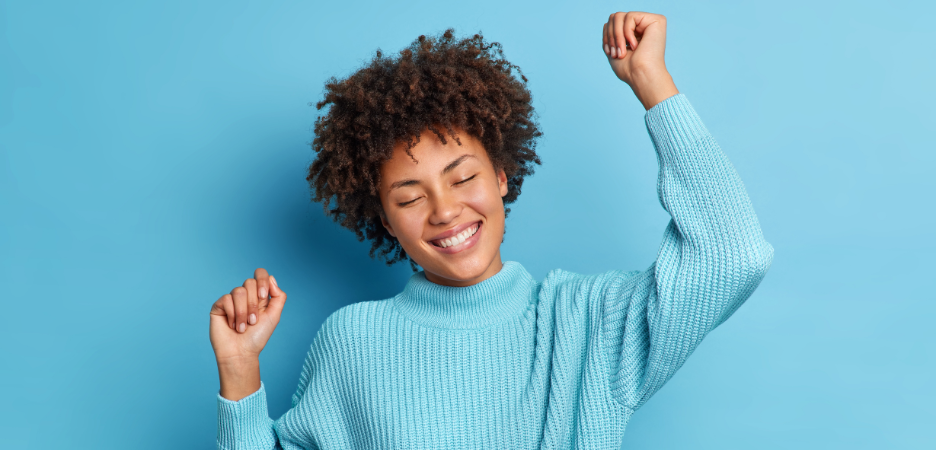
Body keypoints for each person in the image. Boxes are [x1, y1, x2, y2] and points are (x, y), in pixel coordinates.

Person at [209, 11, 774, 449]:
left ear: (502, 176)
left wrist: (653, 85)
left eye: (463, 178)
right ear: (384, 219)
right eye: (410, 197)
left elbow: (734, 255)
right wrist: (239, 372)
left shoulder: (584, 324)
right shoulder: (351, 343)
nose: (445, 211)